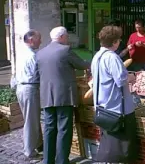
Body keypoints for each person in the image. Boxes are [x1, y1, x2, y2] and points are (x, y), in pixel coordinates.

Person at [36, 26, 90, 164]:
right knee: (64, 128)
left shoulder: (40, 53)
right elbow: (82, 65)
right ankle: (61, 161)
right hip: (64, 96)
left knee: (49, 128)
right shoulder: (65, 50)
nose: (67, 39)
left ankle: (47, 160)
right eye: (66, 37)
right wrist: (93, 63)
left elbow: (38, 75)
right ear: (61, 37)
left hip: (47, 95)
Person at [91, 26, 137, 163]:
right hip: (116, 108)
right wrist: (132, 77)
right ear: (115, 42)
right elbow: (121, 80)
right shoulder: (112, 58)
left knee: (108, 141)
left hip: (102, 106)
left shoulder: (97, 56)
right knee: (121, 145)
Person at [15, 30, 43, 160]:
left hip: (21, 87)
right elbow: (37, 74)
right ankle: (29, 150)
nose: (41, 41)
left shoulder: (21, 53)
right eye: (39, 39)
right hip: (29, 88)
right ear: (31, 40)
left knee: (31, 118)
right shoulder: (32, 56)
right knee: (31, 120)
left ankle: (37, 143)